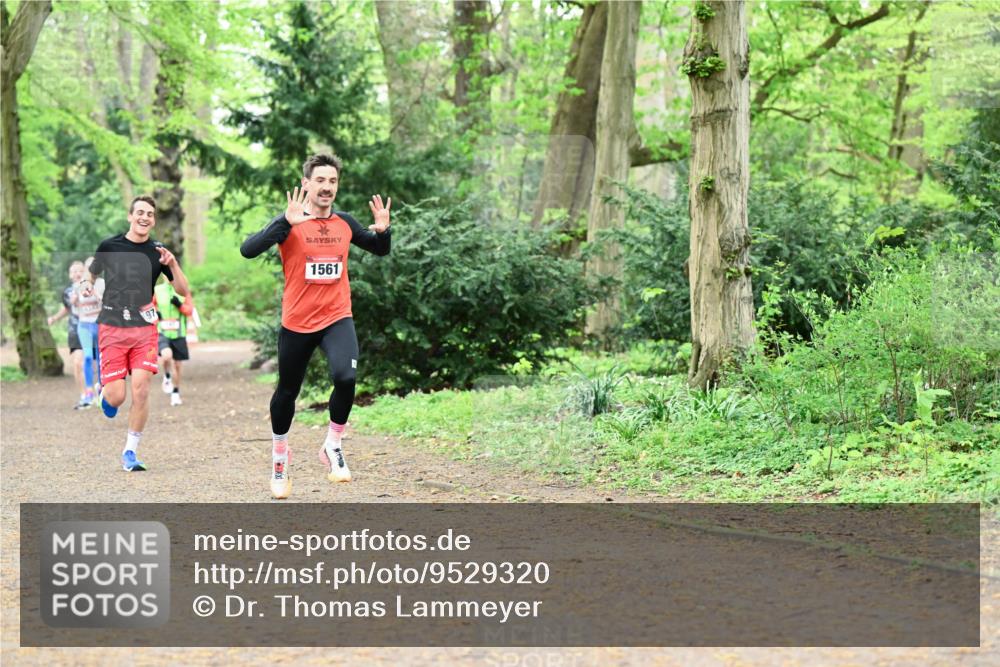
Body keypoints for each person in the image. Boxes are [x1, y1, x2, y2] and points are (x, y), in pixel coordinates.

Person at [240, 153, 391, 499]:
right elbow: (248, 250)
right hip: (297, 322)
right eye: (320, 180)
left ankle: (332, 445)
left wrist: (383, 231)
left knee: (346, 377)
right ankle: (280, 455)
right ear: (306, 183)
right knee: (287, 392)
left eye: (332, 181)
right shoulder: (289, 222)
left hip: (337, 317)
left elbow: (379, 249)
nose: (327, 187)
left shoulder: (345, 222)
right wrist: (283, 225)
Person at [89, 195, 190, 471]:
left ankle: (130, 452)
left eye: (150, 214)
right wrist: (89, 286)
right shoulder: (109, 246)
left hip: (144, 328)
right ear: (130, 216)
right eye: (140, 212)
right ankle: (105, 394)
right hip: (112, 327)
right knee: (117, 397)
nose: (145, 217)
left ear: (153, 220)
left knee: (142, 390)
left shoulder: (158, 252)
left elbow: (182, 290)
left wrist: (172, 264)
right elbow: (92, 273)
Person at [47, 261, 88, 409]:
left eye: (80, 271)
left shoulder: (94, 288)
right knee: (78, 363)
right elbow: (67, 309)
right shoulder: (67, 292)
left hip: (93, 330)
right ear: (70, 275)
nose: (77, 273)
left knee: (93, 364)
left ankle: (100, 393)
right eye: (74, 271)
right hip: (75, 329)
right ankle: (84, 396)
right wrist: (54, 318)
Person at [153, 277, 194, 406]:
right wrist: (155, 314)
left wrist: (180, 305)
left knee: (177, 365)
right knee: (166, 355)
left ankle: (175, 392)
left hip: (179, 333)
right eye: (166, 273)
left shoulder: (183, 290)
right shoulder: (157, 290)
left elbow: (190, 311)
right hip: (162, 332)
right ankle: (167, 375)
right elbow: (149, 306)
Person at [72, 257, 104, 406]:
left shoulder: (102, 283)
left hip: (99, 325)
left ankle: (101, 389)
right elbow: (73, 304)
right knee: (87, 357)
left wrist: (96, 294)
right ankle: (89, 391)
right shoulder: (78, 285)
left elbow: (107, 303)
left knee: (100, 358)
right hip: (84, 325)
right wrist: (74, 300)